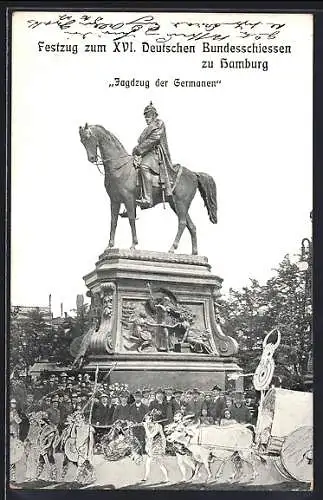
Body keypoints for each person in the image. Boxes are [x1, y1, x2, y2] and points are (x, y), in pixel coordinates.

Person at [132, 102, 174, 209]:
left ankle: (147, 198)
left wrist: (139, 149)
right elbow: (142, 142)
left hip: (156, 153)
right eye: (145, 116)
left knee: (143, 166)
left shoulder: (159, 124)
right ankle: (131, 203)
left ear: (154, 115)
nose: (146, 118)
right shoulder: (147, 129)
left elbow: (154, 139)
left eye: (149, 116)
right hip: (146, 152)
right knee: (131, 168)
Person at [142, 410, 169, 483]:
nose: (146, 421)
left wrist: (145, 427)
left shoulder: (157, 426)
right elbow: (147, 439)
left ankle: (166, 478)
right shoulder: (148, 425)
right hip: (151, 446)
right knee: (148, 462)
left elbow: (150, 436)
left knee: (160, 464)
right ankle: (145, 477)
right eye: (145, 419)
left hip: (157, 446)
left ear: (151, 419)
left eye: (147, 419)